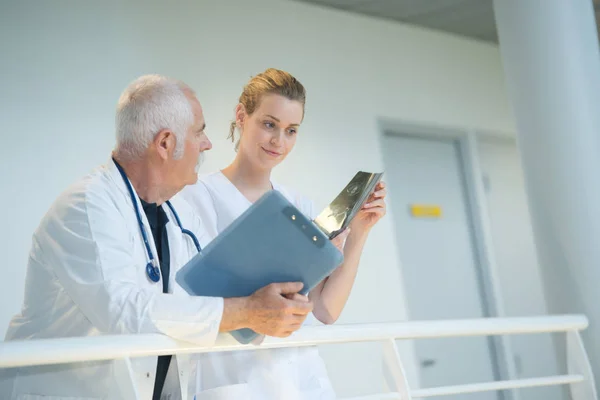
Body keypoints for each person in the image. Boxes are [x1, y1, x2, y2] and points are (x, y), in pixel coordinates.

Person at [0, 74, 315, 400]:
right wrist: (247, 311)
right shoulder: (86, 205)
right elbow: (125, 311)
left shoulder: (179, 214)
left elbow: (209, 295)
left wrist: (276, 294)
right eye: (199, 132)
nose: (207, 144)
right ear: (165, 143)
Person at [180, 68, 387, 399]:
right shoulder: (196, 197)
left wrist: (359, 232)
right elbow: (191, 298)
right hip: (235, 373)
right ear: (241, 116)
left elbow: (324, 310)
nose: (279, 141)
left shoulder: (299, 205)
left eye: (291, 130)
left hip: (301, 375)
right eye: (269, 124)